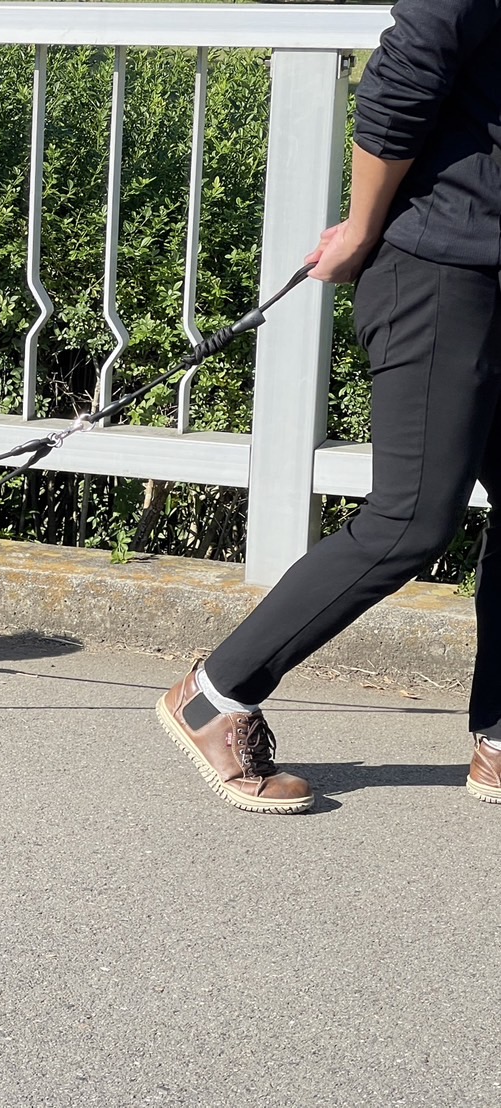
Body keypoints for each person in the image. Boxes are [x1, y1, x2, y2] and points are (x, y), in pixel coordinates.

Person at [158, 0, 501, 813]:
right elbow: (402, 74)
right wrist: (360, 224)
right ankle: (212, 697)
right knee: (409, 519)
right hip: (440, 264)